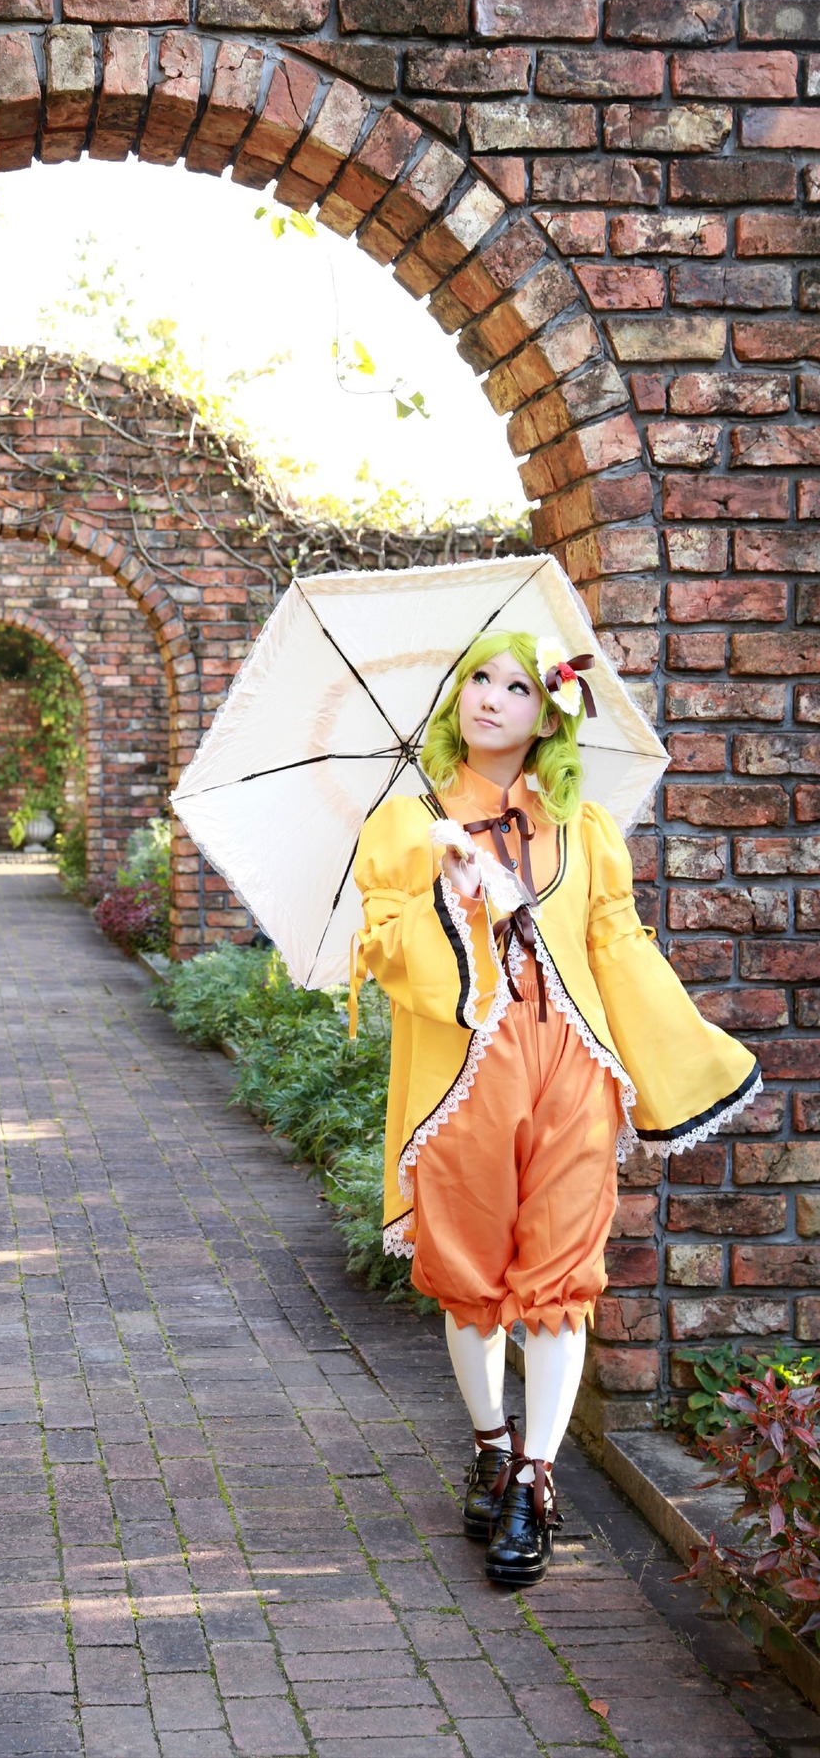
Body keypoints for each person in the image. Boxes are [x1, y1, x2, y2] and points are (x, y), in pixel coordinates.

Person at [350, 629, 760, 1587]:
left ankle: (537, 1480)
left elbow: (616, 947)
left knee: (563, 1272)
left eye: (517, 685)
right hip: (466, 1076)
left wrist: (686, 1054)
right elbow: (383, 951)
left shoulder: (582, 830)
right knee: (469, 1272)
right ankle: (491, 1446)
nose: (491, 697)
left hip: (571, 1067)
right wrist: (448, 903)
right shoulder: (407, 825)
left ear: (550, 715)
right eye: (479, 679)